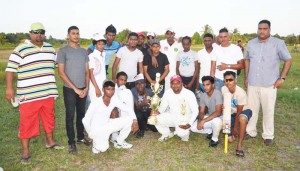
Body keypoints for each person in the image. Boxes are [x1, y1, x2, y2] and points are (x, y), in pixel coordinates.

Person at [5, 22, 63, 164]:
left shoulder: (50, 48)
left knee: (49, 118)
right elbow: (10, 69)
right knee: (27, 123)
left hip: (48, 92)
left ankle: (50, 141)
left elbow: (58, 64)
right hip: (28, 94)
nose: (39, 35)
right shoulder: (21, 49)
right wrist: (9, 88)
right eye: (36, 32)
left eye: (42, 32)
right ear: (30, 33)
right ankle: (25, 151)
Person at [244, 20, 292, 146]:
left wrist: (282, 78)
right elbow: (247, 60)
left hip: (269, 84)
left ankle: (268, 135)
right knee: (251, 109)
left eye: (265, 28)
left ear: (269, 29)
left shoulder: (278, 43)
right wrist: (246, 77)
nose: (262, 31)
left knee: (268, 110)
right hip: (253, 82)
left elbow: (288, 60)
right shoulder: (251, 43)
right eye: (260, 28)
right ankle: (250, 131)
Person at [57, 26, 90, 154]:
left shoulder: (83, 52)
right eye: (73, 33)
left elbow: (87, 71)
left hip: (83, 88)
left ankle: (80, 138)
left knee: (81, 115)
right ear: (68, 35)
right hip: (70, 89)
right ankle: (71, 142)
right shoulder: (63, 51)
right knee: (70, 115)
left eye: (77, 33)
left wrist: (86, 87)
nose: (76, 36)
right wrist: (75, 89)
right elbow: (61, 73)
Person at [82, 80, 139, 154]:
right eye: (108, 89)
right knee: (103, 148)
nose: (111, 92)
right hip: (97, 128)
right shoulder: (95, 103)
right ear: (103, 90)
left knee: (130, 119)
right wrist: (90, 133)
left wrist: (135, 121)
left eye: (112, 89)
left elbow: (127, 109)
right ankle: (96, 145)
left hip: (108, 123)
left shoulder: (114, 100)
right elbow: (85, 120)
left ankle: (119, 142)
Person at [154, 75, 198, 142]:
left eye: (177, 83)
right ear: (170, 85)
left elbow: (195, 111)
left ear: (181, 83)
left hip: (184, 118)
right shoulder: (168, 92)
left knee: (182, 135)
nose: (175, 85)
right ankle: (167, 134)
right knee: (155, 118)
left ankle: (183, 134)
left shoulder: (189, 94)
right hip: (172, 116)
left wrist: (190, 123)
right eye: (173, 83)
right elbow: (162, 107)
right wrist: (156, 112)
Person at [222, 71, 252, 157]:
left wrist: (235, 128)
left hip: (243, 111)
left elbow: (239, 112)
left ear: (235, 80)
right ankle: (240, 130)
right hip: (231, 113)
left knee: (242, 119)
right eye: (226, 80)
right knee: (229, 139)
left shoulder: (241, 93)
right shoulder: (223, 89)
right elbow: (224, 105)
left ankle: (239, 145)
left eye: (230, 80)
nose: (228, 82)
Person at [191, 76, 222, 147]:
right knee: (193, 128)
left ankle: (214, 139)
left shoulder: (217, 93)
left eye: (208, 85)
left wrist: (203, 121)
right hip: (210, 117)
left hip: (220, 118)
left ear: (213, 85)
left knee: (216, 121)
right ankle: (211, 131)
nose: (205, 87)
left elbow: (218, 112)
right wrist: (199, 121)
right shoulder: (203, 95)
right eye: (204, 85)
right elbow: (201, 111)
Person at [88, 33, 107, 103]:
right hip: (95, 86)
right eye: (99, 44)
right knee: (94, 106)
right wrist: (96, 88)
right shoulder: (92, 56)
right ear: (95, 45)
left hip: (103, 85)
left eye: (103, 44)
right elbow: (91, 74)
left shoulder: (103, 55)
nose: (101, 46)